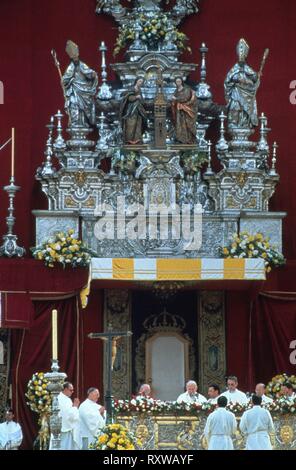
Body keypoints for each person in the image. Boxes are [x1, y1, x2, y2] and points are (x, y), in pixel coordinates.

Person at [224, 38, 259, 129]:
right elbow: (228, 81)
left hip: (247, 95)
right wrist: (237, 79)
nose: (241, 55)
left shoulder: (248, 69)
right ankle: (234, 123)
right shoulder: (234, 69)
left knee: (245, 110)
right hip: (236, 92)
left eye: (243, 53)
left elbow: (254, 78)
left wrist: (255, 77)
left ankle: (245, 124)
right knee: (235, 106)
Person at [62, 40, 98, 127]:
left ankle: (83, 123)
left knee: (83, 109)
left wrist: (93, 74)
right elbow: (65, 79)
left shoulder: (82, 65)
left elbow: (89, 73)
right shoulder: (70, 67)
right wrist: (66, 80)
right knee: (74, 105)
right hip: (74, 91)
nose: (75, 58)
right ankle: (75, 124)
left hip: (84, 91)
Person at [49, 382, 80, 450]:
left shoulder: (59, 398)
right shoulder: (64, 400)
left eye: (73, 390)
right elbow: (70, 416)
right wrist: (75, 407)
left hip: (58, 429)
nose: (72, 392)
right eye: (71, 390)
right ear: (65, 389)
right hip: (65, 430)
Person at [119, 77, 147, 145]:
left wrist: (142, 101)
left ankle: (137, 139)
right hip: (131, 110)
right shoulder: (132, 89)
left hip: (138, 110)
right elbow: (129, 98)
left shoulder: (139, 90)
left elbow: (141, 99)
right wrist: (136, 97)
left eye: (142, 82)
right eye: (140, 81)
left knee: (138, 124)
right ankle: (129, 139)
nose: (141, 83)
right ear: (136, 81)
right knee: (131, 124)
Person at [171, 77, 198, 144]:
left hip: (186, 110)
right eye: (177, 81)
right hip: (179, 111)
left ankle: (187, 139)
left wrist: (176, 98)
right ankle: (181, 139)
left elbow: (186, 98)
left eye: (179, 81)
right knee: (179, 124)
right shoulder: (176, 90)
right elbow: (173, 100)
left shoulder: (186, 89)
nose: (178, 83)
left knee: (186, 124)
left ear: (182, 82)